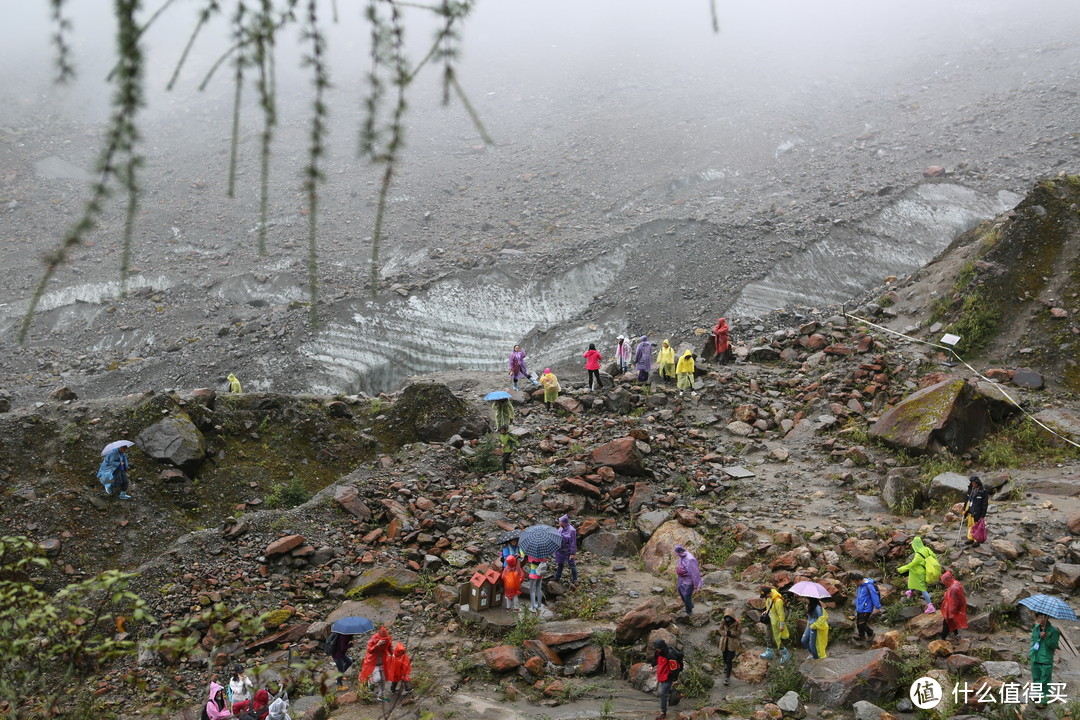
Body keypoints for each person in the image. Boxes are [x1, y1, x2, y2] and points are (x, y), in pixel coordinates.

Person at [898, 536, 936, 613]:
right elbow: (934, 556)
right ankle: (910, 592)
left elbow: (912, 564)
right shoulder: (926, 549)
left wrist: (901, 569)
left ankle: (930, 605)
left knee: (923, 589)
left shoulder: (918, 554)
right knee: (914, 582)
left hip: (918, 573)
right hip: (921, 571)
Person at [1030, 612, 1061, 706]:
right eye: (1039, 617)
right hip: (1035, 658)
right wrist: (1031, 652)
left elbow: (1054, 646)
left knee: (1045, 682)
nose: (1041, 619)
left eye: (1043, 617)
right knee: (1036, 679)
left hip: (1045, 660)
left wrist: (1046, 637)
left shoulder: (1054, 631)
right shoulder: (1036, 628)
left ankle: (1044, 701)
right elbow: (1033, 641)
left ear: (1047, 618)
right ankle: (1037, 696)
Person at [359, 626, 392, 701]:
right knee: (378, 678)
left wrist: (393, 654)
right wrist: (377, 645)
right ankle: (370, 682)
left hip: (382, 662)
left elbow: (390, 647)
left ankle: (380, 695)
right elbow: (369, 650)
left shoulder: (387, 640)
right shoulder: (373, 639)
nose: (385, 641)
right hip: (373, 663)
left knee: (383, 680)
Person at [759, 585, 791, 663]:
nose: (764, 597)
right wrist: (767, 611)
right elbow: (769, 607)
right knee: (768, 635)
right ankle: (769, 651)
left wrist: (782, 625)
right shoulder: (769, 598)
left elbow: (781, 614)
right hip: (770, 620)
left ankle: (785, 654)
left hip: (776, 622)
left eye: (765, 595)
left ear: (769, 593)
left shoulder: (778, 601)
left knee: (777, 639)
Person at [653, 639, 680, 720]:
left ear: (662, 647)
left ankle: (663, 713)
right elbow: (655, 659)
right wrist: (652, 665)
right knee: (666, 689)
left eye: (658, 648)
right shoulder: (659, 651)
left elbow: (674, 668)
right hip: (661, 674)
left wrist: (674, 678)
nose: (656, 649)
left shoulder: (670, 654)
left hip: (668, 675)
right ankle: (678, 694)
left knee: (663, 693)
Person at [674, 545, 702, 617]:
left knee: (687, 595)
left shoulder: (690, 559)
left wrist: (696, 583)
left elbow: (695, 572)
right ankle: (689, 606)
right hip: (682, 579)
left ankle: (689, 610)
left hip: (689, 580)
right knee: (680, 591)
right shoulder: (681, 557)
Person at [939, 570, 967, 641]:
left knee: (946, 622)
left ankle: (943, 637)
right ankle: (956, 634)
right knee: (953, 621)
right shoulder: (956, 583)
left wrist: (951, 612)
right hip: (959, 604)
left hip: (952, 607)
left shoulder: (953, 589)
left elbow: (953, 602)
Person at [854, 575, 882, 642]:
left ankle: (870, 633)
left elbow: (874, 596)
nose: (855, 584)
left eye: (855, 582)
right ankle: (861, 635)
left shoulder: (869, 586)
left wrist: (877, 607)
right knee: (858, 622)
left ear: (859, 581)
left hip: (866, 608)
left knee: (862, 623)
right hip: (860, 607)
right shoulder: (861, 586)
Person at [718, 609, 742, 686]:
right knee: (725, 658)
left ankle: (727, 677)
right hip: (724, 642)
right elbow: (720, 629)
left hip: (732, 643)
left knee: (729, 660)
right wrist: (725, 633)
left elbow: (739, 633)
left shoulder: (737, 623)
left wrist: (731, 633)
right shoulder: (723, 621)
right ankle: (727, 667)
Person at [964, 476, 989, 545]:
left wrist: (983, 515)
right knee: (970, 525)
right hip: (970, 511)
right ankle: (970, 538)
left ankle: (976, 540)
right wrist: (965, 510)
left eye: (974, 483)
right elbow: (967, 500)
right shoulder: (971, 490)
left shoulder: (983, 492)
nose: (973, 484)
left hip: (978, 512)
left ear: (977, 483)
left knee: (977, 526)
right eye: (972, 483)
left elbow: (985, 504)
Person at [554, 514, 578, 584]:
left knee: (572, 565)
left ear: (563, 522)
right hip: (561, 550)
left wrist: (573, 553)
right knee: (560, 564)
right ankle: (557, 577)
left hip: (568, 551)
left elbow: (573, 542)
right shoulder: (561, 529)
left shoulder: (572, 530)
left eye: (560, 522)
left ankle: (575, 579)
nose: (559, 523)